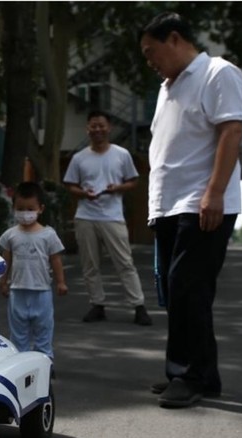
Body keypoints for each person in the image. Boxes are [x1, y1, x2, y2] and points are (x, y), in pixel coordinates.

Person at [140, 12, 242, 408]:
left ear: (174, 38)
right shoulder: (167, 87)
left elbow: (231, 131)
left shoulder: (218, 73)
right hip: (170, 205)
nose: (150, 61)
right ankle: (196, 373)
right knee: (179, 291)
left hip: (201, 203)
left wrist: (214, 193)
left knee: (187, 287)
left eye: (151, 52)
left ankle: (189, 376)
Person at [63, 111, 153, 326]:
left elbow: (133, 181)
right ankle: (97, 304)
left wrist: (118, 188)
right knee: (90, 264)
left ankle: (138, 306)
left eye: (101, 125)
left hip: (113, 215)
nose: (98, 129)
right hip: (86, 215)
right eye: (93, 126)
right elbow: (70, 184)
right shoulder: (79, 158)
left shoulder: (121, 154)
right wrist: (83, 193)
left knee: (124, 262)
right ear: (88, 129)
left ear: (109, 128)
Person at [0, 182, 68, 362]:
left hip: (41, 291)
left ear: (40, 209)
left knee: (43, 330)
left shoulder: (48, 235)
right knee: (18, 334)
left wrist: (61, 282)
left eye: (30, 209)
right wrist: (3, 280)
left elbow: (55, 259)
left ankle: (45, 362)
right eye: (20, 209)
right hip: (17, 291)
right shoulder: (10, 235)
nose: (25, 213)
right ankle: (20, 364)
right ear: (14, 208)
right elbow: (6, 260)